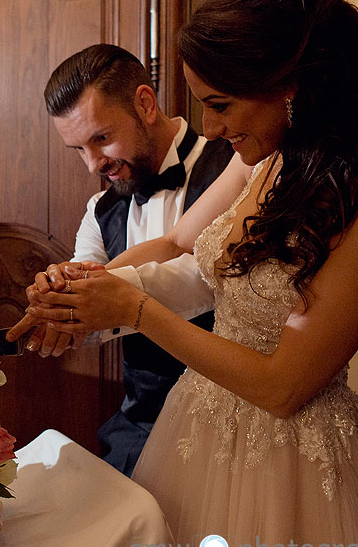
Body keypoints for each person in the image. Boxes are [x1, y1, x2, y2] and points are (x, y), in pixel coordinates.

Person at [17, 0, 358, 547]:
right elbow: (179, 244)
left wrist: (134, 309)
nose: (209, 124)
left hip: (294, 462)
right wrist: (80, 286)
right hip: (196, 432)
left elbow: (283, 387)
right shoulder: (259, 154)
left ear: (290, 85)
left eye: (222, 104)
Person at [13, 44, 232, 476]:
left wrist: (100, 292)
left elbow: (206, 279)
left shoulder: (235, 166)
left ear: (145, 104)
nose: (94, 164)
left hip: (231, 420)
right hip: (140, 425)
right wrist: (61, 298)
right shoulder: (100, 209)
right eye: (78, 149)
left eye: (101, 138)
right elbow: (91, 302)